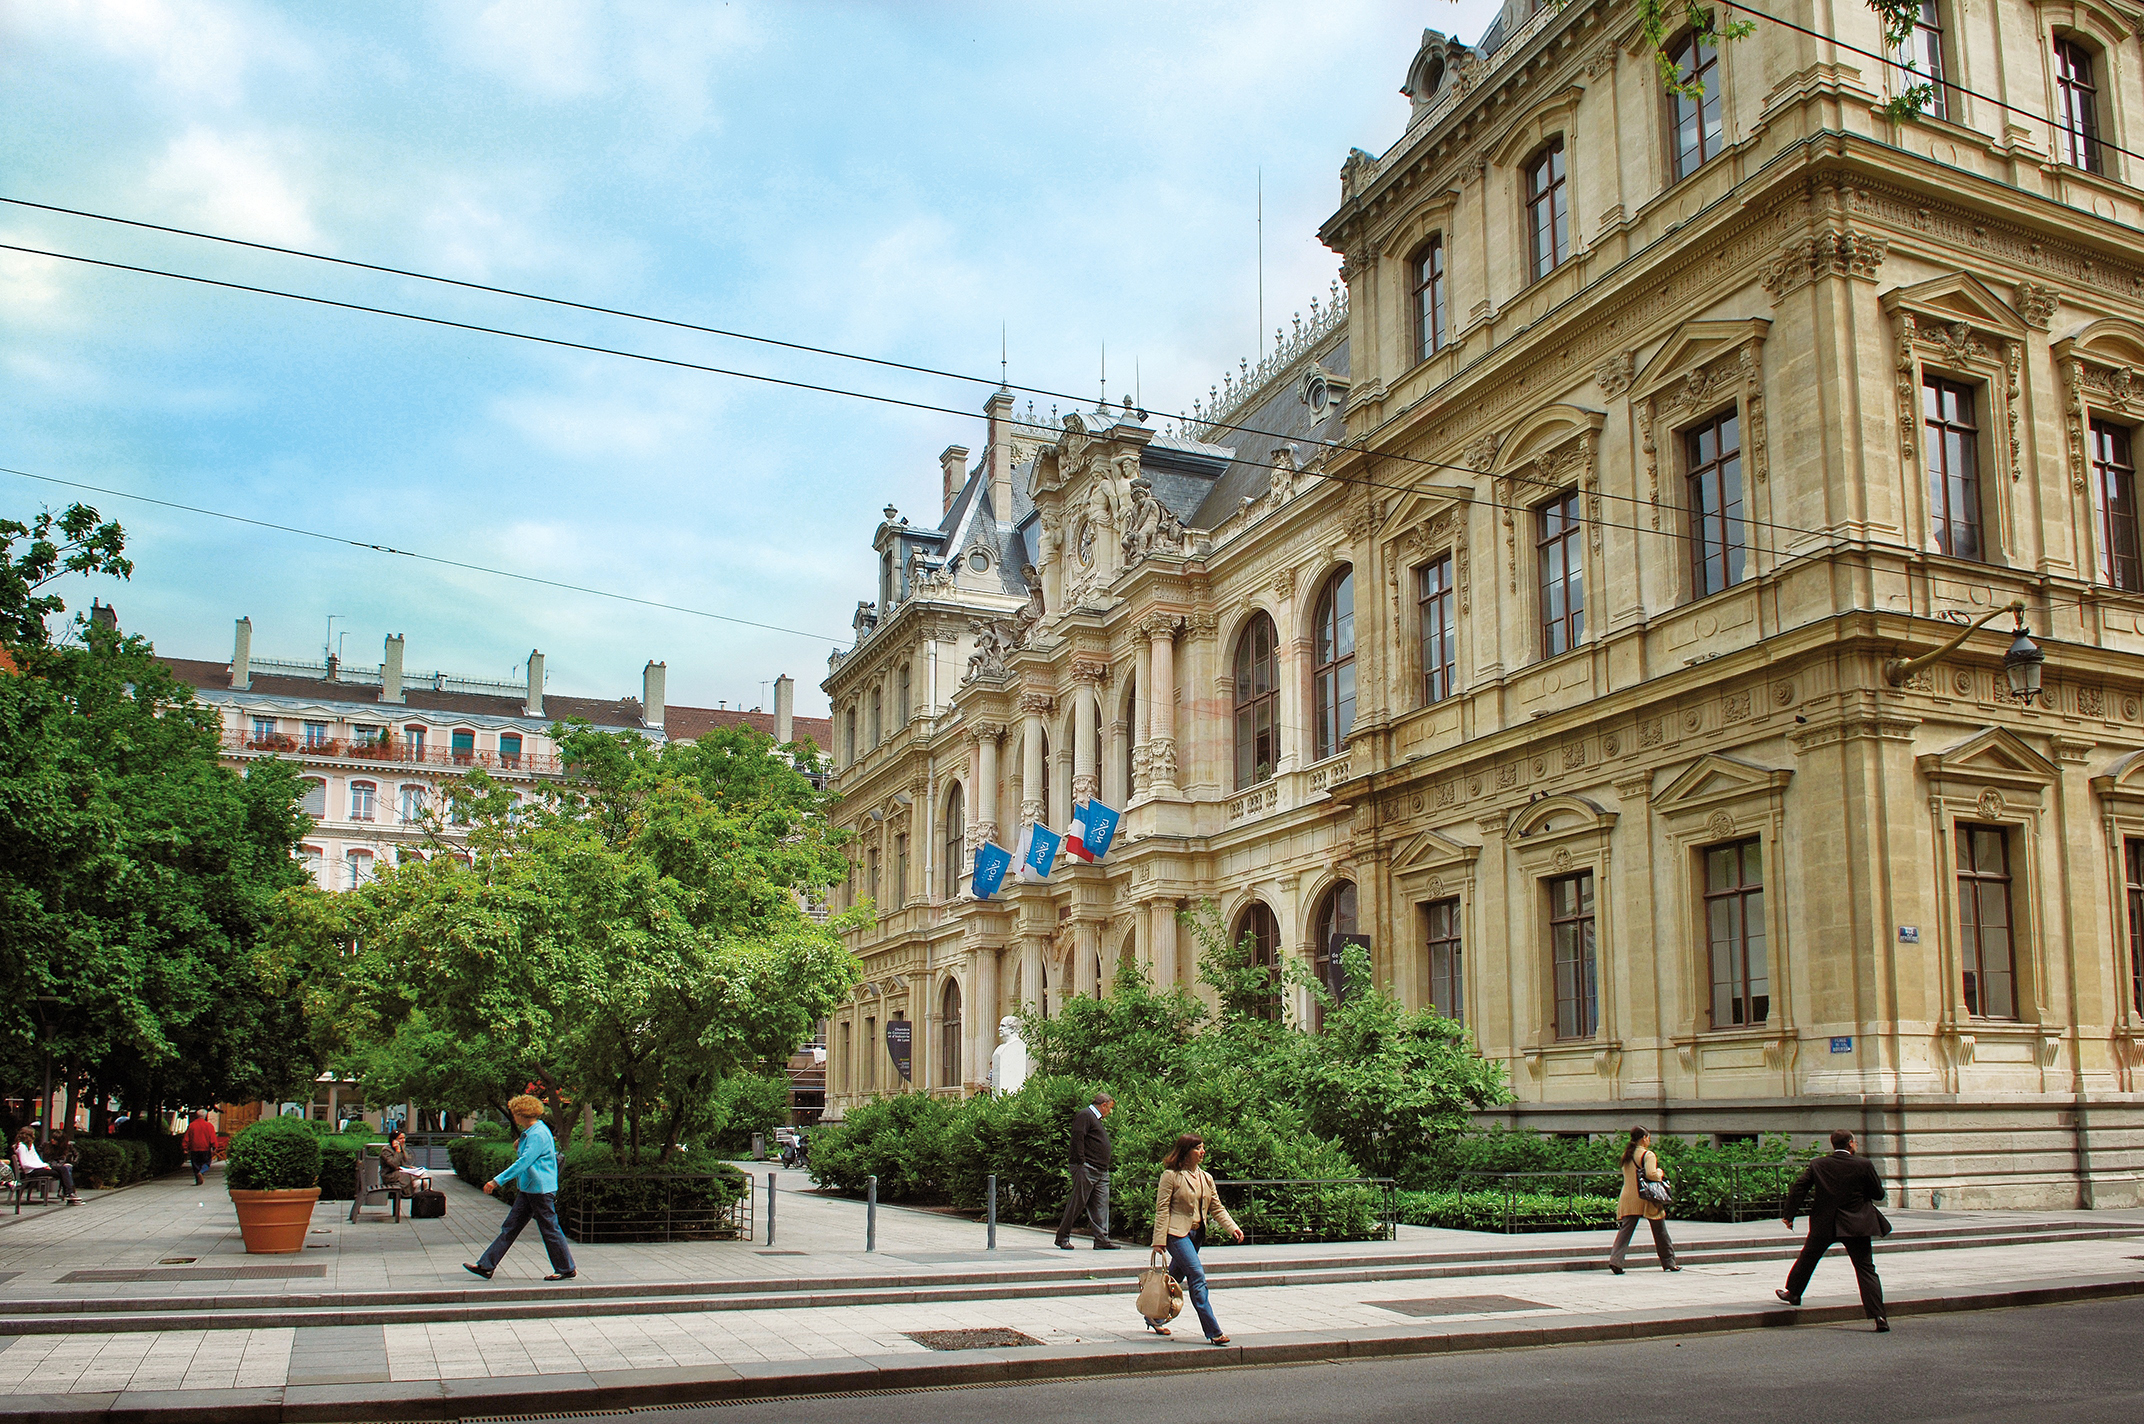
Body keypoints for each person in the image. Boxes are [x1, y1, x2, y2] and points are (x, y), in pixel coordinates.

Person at [1776, 1128, 1889, 1331]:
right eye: (1855, 1142)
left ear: (1833, 1145)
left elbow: (1800, 1187)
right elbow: (1878, 1194)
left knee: (1808, 1258)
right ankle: (1879, 1316)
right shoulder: (1864, 1164)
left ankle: (1793, 1293)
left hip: (1824, 1223)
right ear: (1850, 1144)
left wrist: (1789, 1214)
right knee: (1865, 1268)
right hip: (1856, 1224)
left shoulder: (1819, 1164)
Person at [463, 1096, 576, 1282]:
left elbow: (524, 1162)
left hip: (539, 1189)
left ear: (521, 1114)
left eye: (514, 1113)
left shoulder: (537, 1133)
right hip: (531, 1188)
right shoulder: (534, 1130)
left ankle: (566, 1268)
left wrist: (496, 1181)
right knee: (511, 1226)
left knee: (549, 1227)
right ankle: (486, 1266)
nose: (513, 1116)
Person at [1147, 1133, 1243, 1344]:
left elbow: (1216, 1207)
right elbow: (1162, 1209)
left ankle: (1154, 1316)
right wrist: (1159, 1241)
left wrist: (1232, 1228)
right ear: (1186, 1151)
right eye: (1198, 1148)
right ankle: (1213, 1331)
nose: (1203, 1152)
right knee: (1197, 1276)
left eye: (1203, 1147)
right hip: (1176, 1234)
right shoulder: (1171, 1176)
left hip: (1196, 1235)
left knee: (1173, 1278)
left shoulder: (1205, 1177)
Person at [1607, 1126, 1680, 1274]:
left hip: (1629, 1197)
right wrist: (1660, 1172)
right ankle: (1669, 1262)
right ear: (1644, 1138)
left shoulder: (1627, 1154)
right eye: (1648, 1137)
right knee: (1660, 1231)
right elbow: (1651, 1174)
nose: (1649, 1140)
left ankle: (1616, 1260)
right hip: (1647, 1198)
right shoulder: (1648, 1155)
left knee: (1625, 1231)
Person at [1053, 1091, 1119, 1250]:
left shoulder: (1095, 1119)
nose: (1109, 1112)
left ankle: (1101, 1239)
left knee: (1101, 1204)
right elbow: (1077, 1138)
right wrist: (1080, 1163)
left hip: (1101, 1170)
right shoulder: (1085, 1115)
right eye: (1109, 1108)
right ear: (1103, 1105)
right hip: (1087, 1168)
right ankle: (1062, 1237)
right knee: (1077, 1203)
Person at [12, 1127, 81, 1204]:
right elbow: (25, 1164)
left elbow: (36, 1159)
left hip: (38, 1168)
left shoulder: (30, 1146)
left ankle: (69, 1194)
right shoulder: (22, 1147)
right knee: (62, 1172)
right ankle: (70, 1193)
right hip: (32, 1171)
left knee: (64, 1169)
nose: (34, 1136)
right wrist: (42, 1166)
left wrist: (44, 1165)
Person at [377, 1130, 428, 1196]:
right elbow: (394, 1164)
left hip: (400, 1173)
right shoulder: (386, 1150)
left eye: (404, 1138)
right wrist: (398, 1151)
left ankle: (428, 1196)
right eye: (400, 1138)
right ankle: (421, 1196)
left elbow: (401, 1164)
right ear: (394, 1140)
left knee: (424, 1177)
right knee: (419, 1180)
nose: (403, 1140)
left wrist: (410, 1168)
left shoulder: (401, 1148)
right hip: (390, 1175)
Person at [182, 1112, 219, 1185]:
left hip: (194, 1148)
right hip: (205, 1148)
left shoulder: (192, 1125)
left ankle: (197, 1179)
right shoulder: (209, 1126)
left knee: (195, 1164)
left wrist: (185, 1148)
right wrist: (214, 1146)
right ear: (205, 1116)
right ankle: (201, 1172)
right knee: (207, 1162)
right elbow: (212, 1137)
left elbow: (186, 1138)